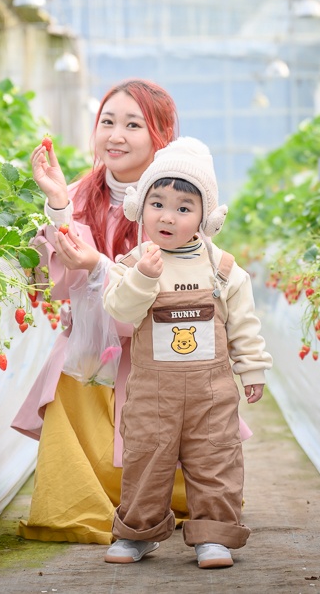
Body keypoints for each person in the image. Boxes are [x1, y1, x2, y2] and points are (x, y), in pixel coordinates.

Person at [12, 80, 231, 544]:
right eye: (107, 122)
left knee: (174, 435)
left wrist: (100, 266)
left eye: (134, 124)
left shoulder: (176, 202)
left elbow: (182, 281)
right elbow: (59, 278)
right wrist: (56, 204)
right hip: (95, 350)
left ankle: (158, 501)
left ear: (160, 137)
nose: (116, 135)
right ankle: (95, 499)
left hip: (161, 351)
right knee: (74, 377)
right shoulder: (75, 194)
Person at [100, 137, 271, 569]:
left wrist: (252, 370)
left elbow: (244, 325)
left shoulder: (222, 268)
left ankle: (214, 535)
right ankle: (138, 533)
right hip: (152, 393)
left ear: (205, 217)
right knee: (146, 459)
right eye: (157, 203)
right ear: (140, 208)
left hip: (210, 394)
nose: (167, 216)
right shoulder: (136, 262)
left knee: (216, 458)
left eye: (183, 208)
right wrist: (141, 276)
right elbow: (120, 310)